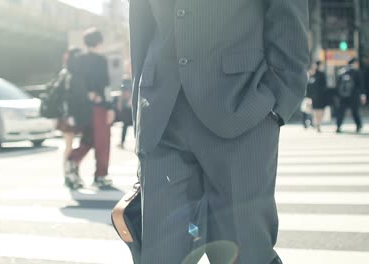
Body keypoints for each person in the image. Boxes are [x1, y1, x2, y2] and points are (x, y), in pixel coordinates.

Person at [128, 1, 309, 263]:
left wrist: (279, 101)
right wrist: (141, 116)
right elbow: (140, 31)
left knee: (245, 251)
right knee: (160, 255)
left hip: (242, 107)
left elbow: (287, 19)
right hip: (162, 115)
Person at [67, 28, 116, 189]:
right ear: (99, 42)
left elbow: (75, 83)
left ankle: (73, 159)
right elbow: (106, 86)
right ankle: (100, 175)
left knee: (88, 138)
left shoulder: (77, 60)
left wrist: (87, 94)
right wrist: (110, 107)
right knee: (102, 142)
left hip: (82, 108)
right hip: (98, 107)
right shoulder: (100, 60)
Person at [55, 48, 92, 190]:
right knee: (70, 146)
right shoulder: (71, 75)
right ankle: (68, 175)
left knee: (71, 146)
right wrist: (70, 115)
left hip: (68, 115)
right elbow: (68, 97)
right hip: (69, 116)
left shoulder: (66, 73)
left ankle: (70, 174)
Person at [335, 58, 367, 133]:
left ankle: (338, 126)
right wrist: (363, 95)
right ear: (355, 63)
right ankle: (358, 125)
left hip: (343, 96)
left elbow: (337, 85)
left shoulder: (341, 72)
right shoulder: (356, 72)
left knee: (341, 112)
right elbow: (361, 85)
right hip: (354, 95)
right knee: (355, 111)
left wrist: (338, 95)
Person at [307, 61, 327, 132]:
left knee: (319, 110)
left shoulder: (319, 74)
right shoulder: (312, 74)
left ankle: (318, 124)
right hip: (315, 96)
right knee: (316, 110)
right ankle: (318, 124)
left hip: (318, 96)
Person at [117, 76, 133, 149]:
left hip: (132, 105)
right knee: (125, 125)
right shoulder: (124, 80)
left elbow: (134, 90)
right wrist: (119, 103)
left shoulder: (133, 77)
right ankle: (122, 142)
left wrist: (131, 100)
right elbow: (122, 91)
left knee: (135, 125)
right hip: (125, 106)